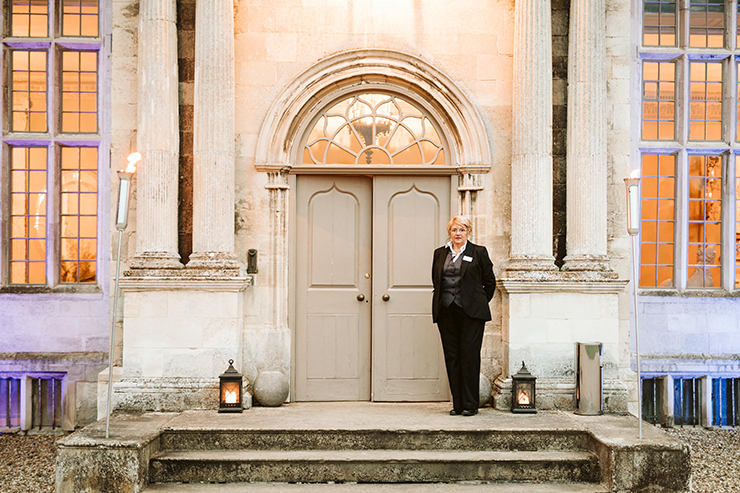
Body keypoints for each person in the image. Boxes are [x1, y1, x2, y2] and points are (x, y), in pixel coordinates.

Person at [432, 216, 496, 416]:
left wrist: (478, 302)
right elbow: (437, 282)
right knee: (452, 357)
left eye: (461, 230)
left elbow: (490, 282)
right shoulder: (440, 253)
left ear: (468, 232)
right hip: (446, 311)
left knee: (469, 356)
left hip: (471, 314)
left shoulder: (478, 252)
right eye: (454, 230)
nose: (457, 234)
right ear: (449, 232)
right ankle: (457, 404)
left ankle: (470, 404)